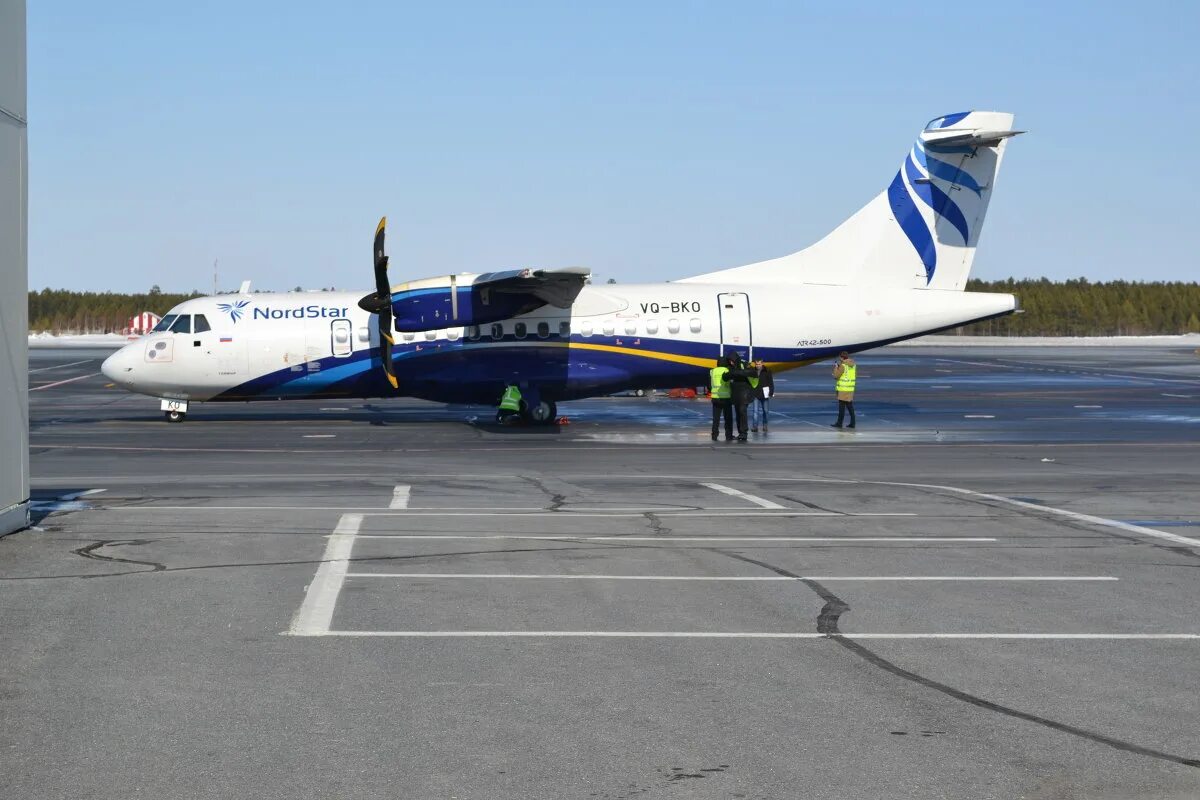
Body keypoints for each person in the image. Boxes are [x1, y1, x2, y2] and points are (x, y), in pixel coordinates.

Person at [725, 352, 757, 442]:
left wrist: (739, 373)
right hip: (735, 394)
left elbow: (753, 373)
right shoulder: (730, 368)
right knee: (738, 414)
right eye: (729, 361)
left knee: (742, 412)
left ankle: (744, 433)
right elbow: (726, 376)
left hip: (744, 393)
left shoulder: (744, 364)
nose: (731, 363)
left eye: (732, 361)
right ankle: (740, 432)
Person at [708, 358, 733, 441]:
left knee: (716, 418)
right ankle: (728, 435)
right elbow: (730, 383)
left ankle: (714, 435)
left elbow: (709, 385)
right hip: (726, 397)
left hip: (715, 397)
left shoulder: (712, 371)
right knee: (728, 418)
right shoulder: (727, 370)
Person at [831, 351, 856, 429]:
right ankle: (853, 423)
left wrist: (836, 367)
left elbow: (836, 376)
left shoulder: (843, 366)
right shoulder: (853, 365)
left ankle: (839, 423)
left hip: (843, 389)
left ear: (842, 358)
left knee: (841, 408)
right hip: (850, 388)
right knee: (850, 406)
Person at [750, 359, 774, 433]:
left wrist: (771, 392)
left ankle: (765, 425)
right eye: (756, 364)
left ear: (762, 364)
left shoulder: (767, 371)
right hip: (755, 394)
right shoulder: (752, 371)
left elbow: (771, 383)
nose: (757, 366)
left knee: (765, 411)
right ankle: (755, 427)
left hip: (764, 394)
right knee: (755, 412)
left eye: (759, 364)